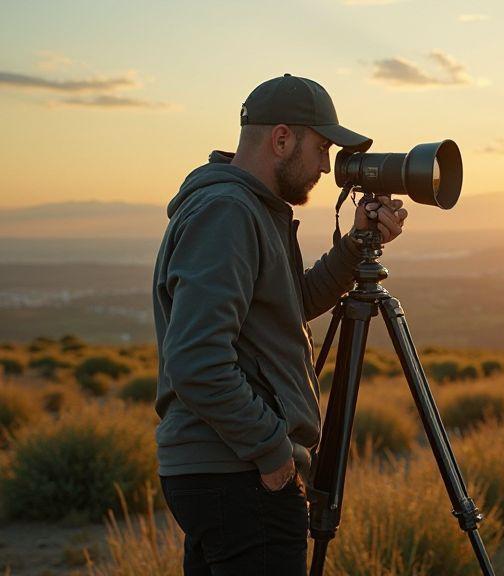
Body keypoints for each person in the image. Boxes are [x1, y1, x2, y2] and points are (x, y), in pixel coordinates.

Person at [152, 74, 407, 575]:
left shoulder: (252, 210)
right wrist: (273, 456)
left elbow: (288, 309)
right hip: (238, 473)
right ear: (282, 138)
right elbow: (196, 361)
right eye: (322, 147)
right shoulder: (227, 211)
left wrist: (354, 247)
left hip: (226, 472)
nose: (325, 165)